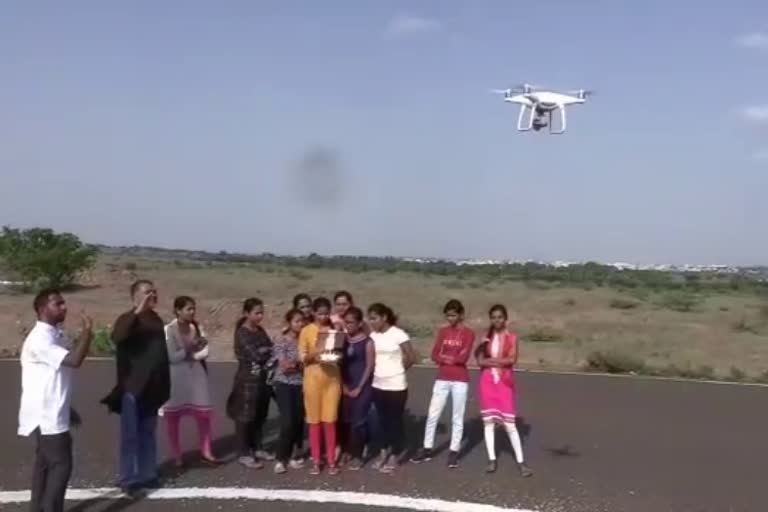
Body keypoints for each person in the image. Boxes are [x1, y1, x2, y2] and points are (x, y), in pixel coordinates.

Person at [18, 288, 93, 512]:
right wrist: (88, 332)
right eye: (57, 304)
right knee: (60, 465)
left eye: (63, 303)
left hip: (49, 411)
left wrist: (67, 407)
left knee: (44, 465)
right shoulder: (40, 339)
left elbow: (52, 377)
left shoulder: (52, 333)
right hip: (47, 415)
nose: (64, 307)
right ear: (42, 309)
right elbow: (74, 360)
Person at [101, 280, 170, 493]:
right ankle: (128, 478)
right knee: (131, 436)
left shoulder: (156, 320)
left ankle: (148, 474)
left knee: (148, 434)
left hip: (153, 389)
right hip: (133, 388)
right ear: (135, 297)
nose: (152, 295)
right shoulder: (128, 319)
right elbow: (118, 336)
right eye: (147, 292)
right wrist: (138, 309)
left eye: (154, 292)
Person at [411, 299, 476, 468]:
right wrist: (449, 359)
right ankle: (427, 448)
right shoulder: (443, 332)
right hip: (442, 377)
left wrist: (446, 358)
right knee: (433, 414)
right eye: (448, 315)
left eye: (453, 315)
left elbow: (463, 357)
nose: (450, 319)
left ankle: (454, 451)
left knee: (457, 417)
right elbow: (434, 354)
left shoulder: (469, 333)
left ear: (460, 315)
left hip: (460, 379)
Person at [475, 304, 532, 477]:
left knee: (509, 424)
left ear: (505, 318)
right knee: (489, 423)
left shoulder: (512, 338)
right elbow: (479, 360)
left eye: (500, 317)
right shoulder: (485, 337)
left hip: (504, 382)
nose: (497, 320)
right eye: (493, 317)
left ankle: (521, 462)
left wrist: (492, 361)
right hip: (487, 381)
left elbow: (512, 359)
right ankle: (492, 459)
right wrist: (496, 361)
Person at [160, 296, 217, 467]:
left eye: (193, 309)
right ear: (178, 310)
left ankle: (206, 450)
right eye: (188, 309)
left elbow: (205, 351)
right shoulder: (169, 330)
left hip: (196, 375)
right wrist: (190, 349)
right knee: (173, 417)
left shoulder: (197, 327)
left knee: (203, 416)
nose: (192, 312)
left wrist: (190, 354)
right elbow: (171, 357)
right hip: (177, 377)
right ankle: (177, 454)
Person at [226, 298, 275, 469]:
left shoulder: (260, 330)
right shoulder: (242, 333)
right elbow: (257, 355)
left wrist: (266, 350)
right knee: (245, 417)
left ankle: (257, 447)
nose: (260, 316)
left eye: (261, 312)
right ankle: (243, 452)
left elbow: (271, 349)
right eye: (257, 313)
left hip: (262, 380)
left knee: (260, 415)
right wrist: (265, 351)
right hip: (247, 380)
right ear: (246, 313)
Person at [368, 302, 417, 473]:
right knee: (381, 420)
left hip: (396, 385)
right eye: (370, 318)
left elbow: (411, 356)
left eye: (374, 318)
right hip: (377, 384)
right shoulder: (373, 336)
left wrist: (398, 371)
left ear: (384, 317)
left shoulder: (398, 334)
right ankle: (383, 452)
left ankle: (396, 453)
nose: (371, 322)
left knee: (394, 420)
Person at [299, 297, 344, 475]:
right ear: (313, 313)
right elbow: (302, 358)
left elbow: (340, 353)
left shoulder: (335, 331)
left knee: (330, 420)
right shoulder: (306, 331)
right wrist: (316, 353)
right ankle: (317, 460)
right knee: (314, 421)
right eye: (319, 313)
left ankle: (332, 460)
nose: (323, 316)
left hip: (332, 379)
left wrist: (334, 353)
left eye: (326, 313)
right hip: (313, 379)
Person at [272, 308, 308, 474]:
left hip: (301, 384)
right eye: (296, 321)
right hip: (284, 384)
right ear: (289, 323)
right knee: (287, 421)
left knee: (299, 421)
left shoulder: (305, 340)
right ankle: (280, 458)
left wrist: (299, 364)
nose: (299, 324)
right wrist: (300, 363)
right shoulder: (282, 340)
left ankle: (296, 454)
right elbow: (285, 366)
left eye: (302, 321)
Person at [340, 307, 375, 471]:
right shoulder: (342, 340)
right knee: (346, 420)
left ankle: (359, 454)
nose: (347, 325)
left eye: (351, 322)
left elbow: (369, 365)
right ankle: (347, 450)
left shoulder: (367, 342)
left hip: (363, 386)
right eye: (345, 322)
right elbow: (338, 364)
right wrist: (343, 385)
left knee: (358, 421)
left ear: (360, 323)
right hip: (346, 385)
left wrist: (360, 387)